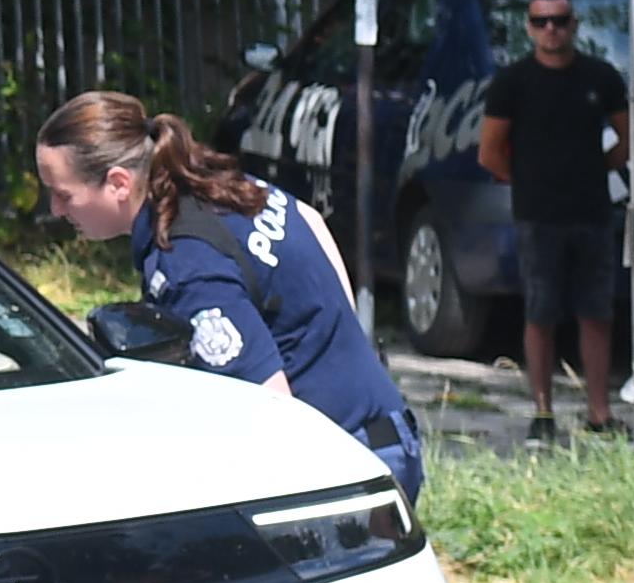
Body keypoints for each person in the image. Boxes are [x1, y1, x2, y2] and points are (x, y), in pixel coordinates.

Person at [32, 88, 422, 500]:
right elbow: (309, 219)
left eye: (64, 194)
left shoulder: (187, 267)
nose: (57, 209)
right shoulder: (220, 189)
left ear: (118, 184)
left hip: (343, 468)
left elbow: (268, 416)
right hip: (381, 432)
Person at [474, 0, 631, 441]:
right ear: (529, 28)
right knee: (540, 314)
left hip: (592, 212)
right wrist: (526, 179)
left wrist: (592, 169)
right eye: (542, 22)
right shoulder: (513, 83)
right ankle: (543, 412)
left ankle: (598, 412)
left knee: (596, 312)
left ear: (573, 26)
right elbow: (489, 153)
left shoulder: (600, 77)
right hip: (537, 216)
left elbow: (627, 140)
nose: (551, 30)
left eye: (560, 21)